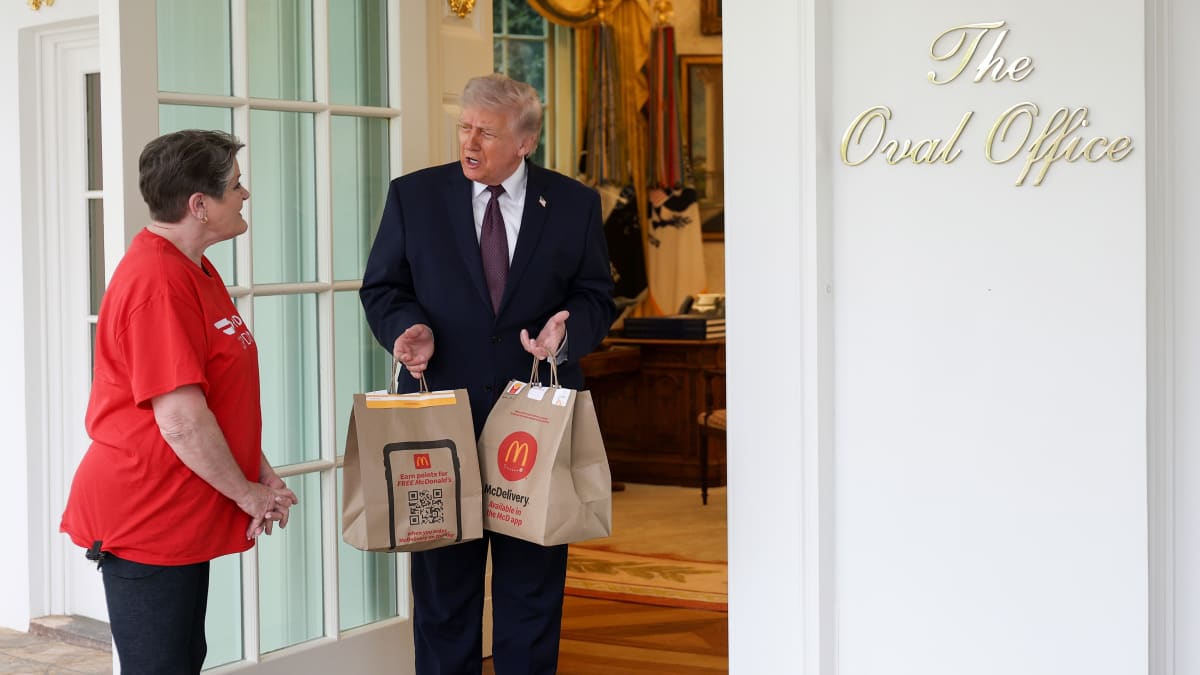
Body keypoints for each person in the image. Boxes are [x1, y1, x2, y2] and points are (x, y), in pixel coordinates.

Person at [360, 73, 616, 674]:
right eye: (464, 127)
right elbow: (383, 287)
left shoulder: (574, 203)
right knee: (443, 594)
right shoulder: (414, 196)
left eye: (487, 133)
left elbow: (595, 295)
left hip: (535, 420)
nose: (469, 143)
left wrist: (565, 333)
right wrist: (405, 328)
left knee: (532, 591)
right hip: (439, 420)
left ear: (525, 142)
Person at [60, 129, 298, 674]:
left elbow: (216, 398)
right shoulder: (158, 282)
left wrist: (259, 473)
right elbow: (182, 422)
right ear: (199, 205)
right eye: (235, 186)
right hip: (148, 512)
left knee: (184, 659)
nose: (245, 194)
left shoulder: (194, 268)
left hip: (182, 505)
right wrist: (247, 494)